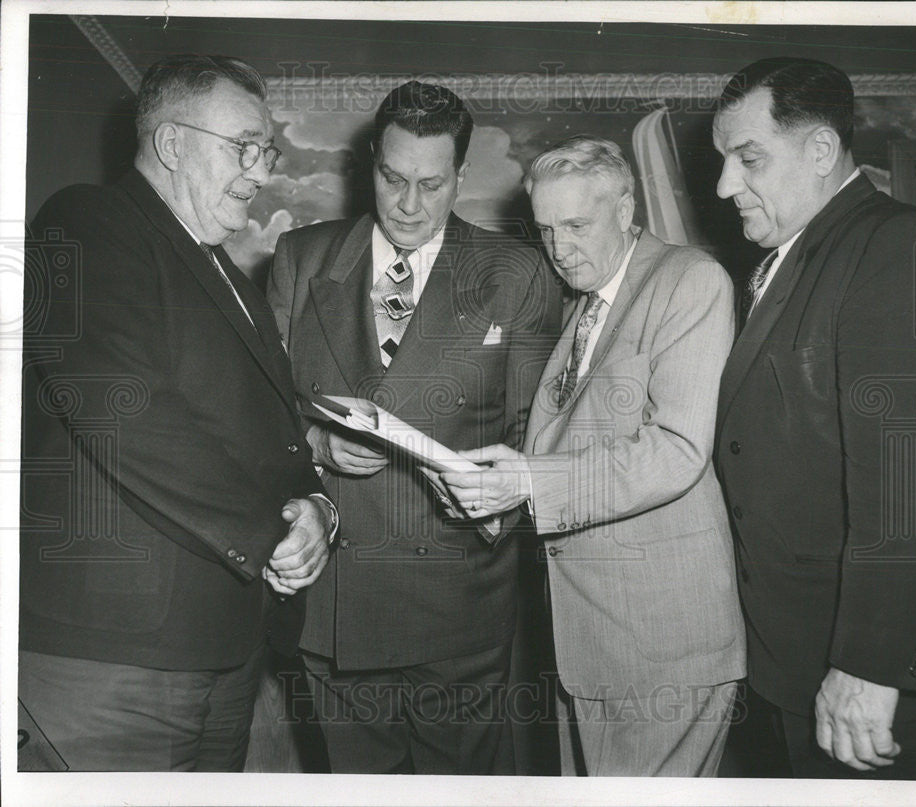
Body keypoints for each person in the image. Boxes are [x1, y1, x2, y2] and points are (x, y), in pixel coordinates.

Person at [19, 54, 338, 772]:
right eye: (244, 148)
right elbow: (121, 407)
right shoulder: (87, 219)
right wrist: (268, 534)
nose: (261, 173)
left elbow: (278, 437)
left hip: (223, 652)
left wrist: (317, 509)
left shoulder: (233, 278)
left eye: (268, 152)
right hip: (113, 660)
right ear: (171, 144)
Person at [266, 80, 562, 774]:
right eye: (393, 178)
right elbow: (259, 408)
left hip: (460, 610)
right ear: (370, 161)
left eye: (432, 184)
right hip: (338, 602)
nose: (408, 204)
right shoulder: (301, 259)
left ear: (461, 174)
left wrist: (498, 492)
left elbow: (538, 436)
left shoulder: (514, 273)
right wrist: (315, 443)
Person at [433, 136, 746, 776]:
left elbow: (678, 450)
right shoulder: (584, 305)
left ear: (627, 207)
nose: (559, 248)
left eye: (576, 225)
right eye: (546, 229)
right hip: (589, 642)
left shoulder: (688, 279)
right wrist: (490, 490)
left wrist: (529, 482)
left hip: (663, 646)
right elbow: (561, 451)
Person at [711, 57, 916, 780]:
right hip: (793, 656)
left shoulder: (898, 245)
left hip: (863, 683)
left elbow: (914, 486)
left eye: (748, 158)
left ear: (821, 151)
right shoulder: (789, 258)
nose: (725, 185)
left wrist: (868, 665)